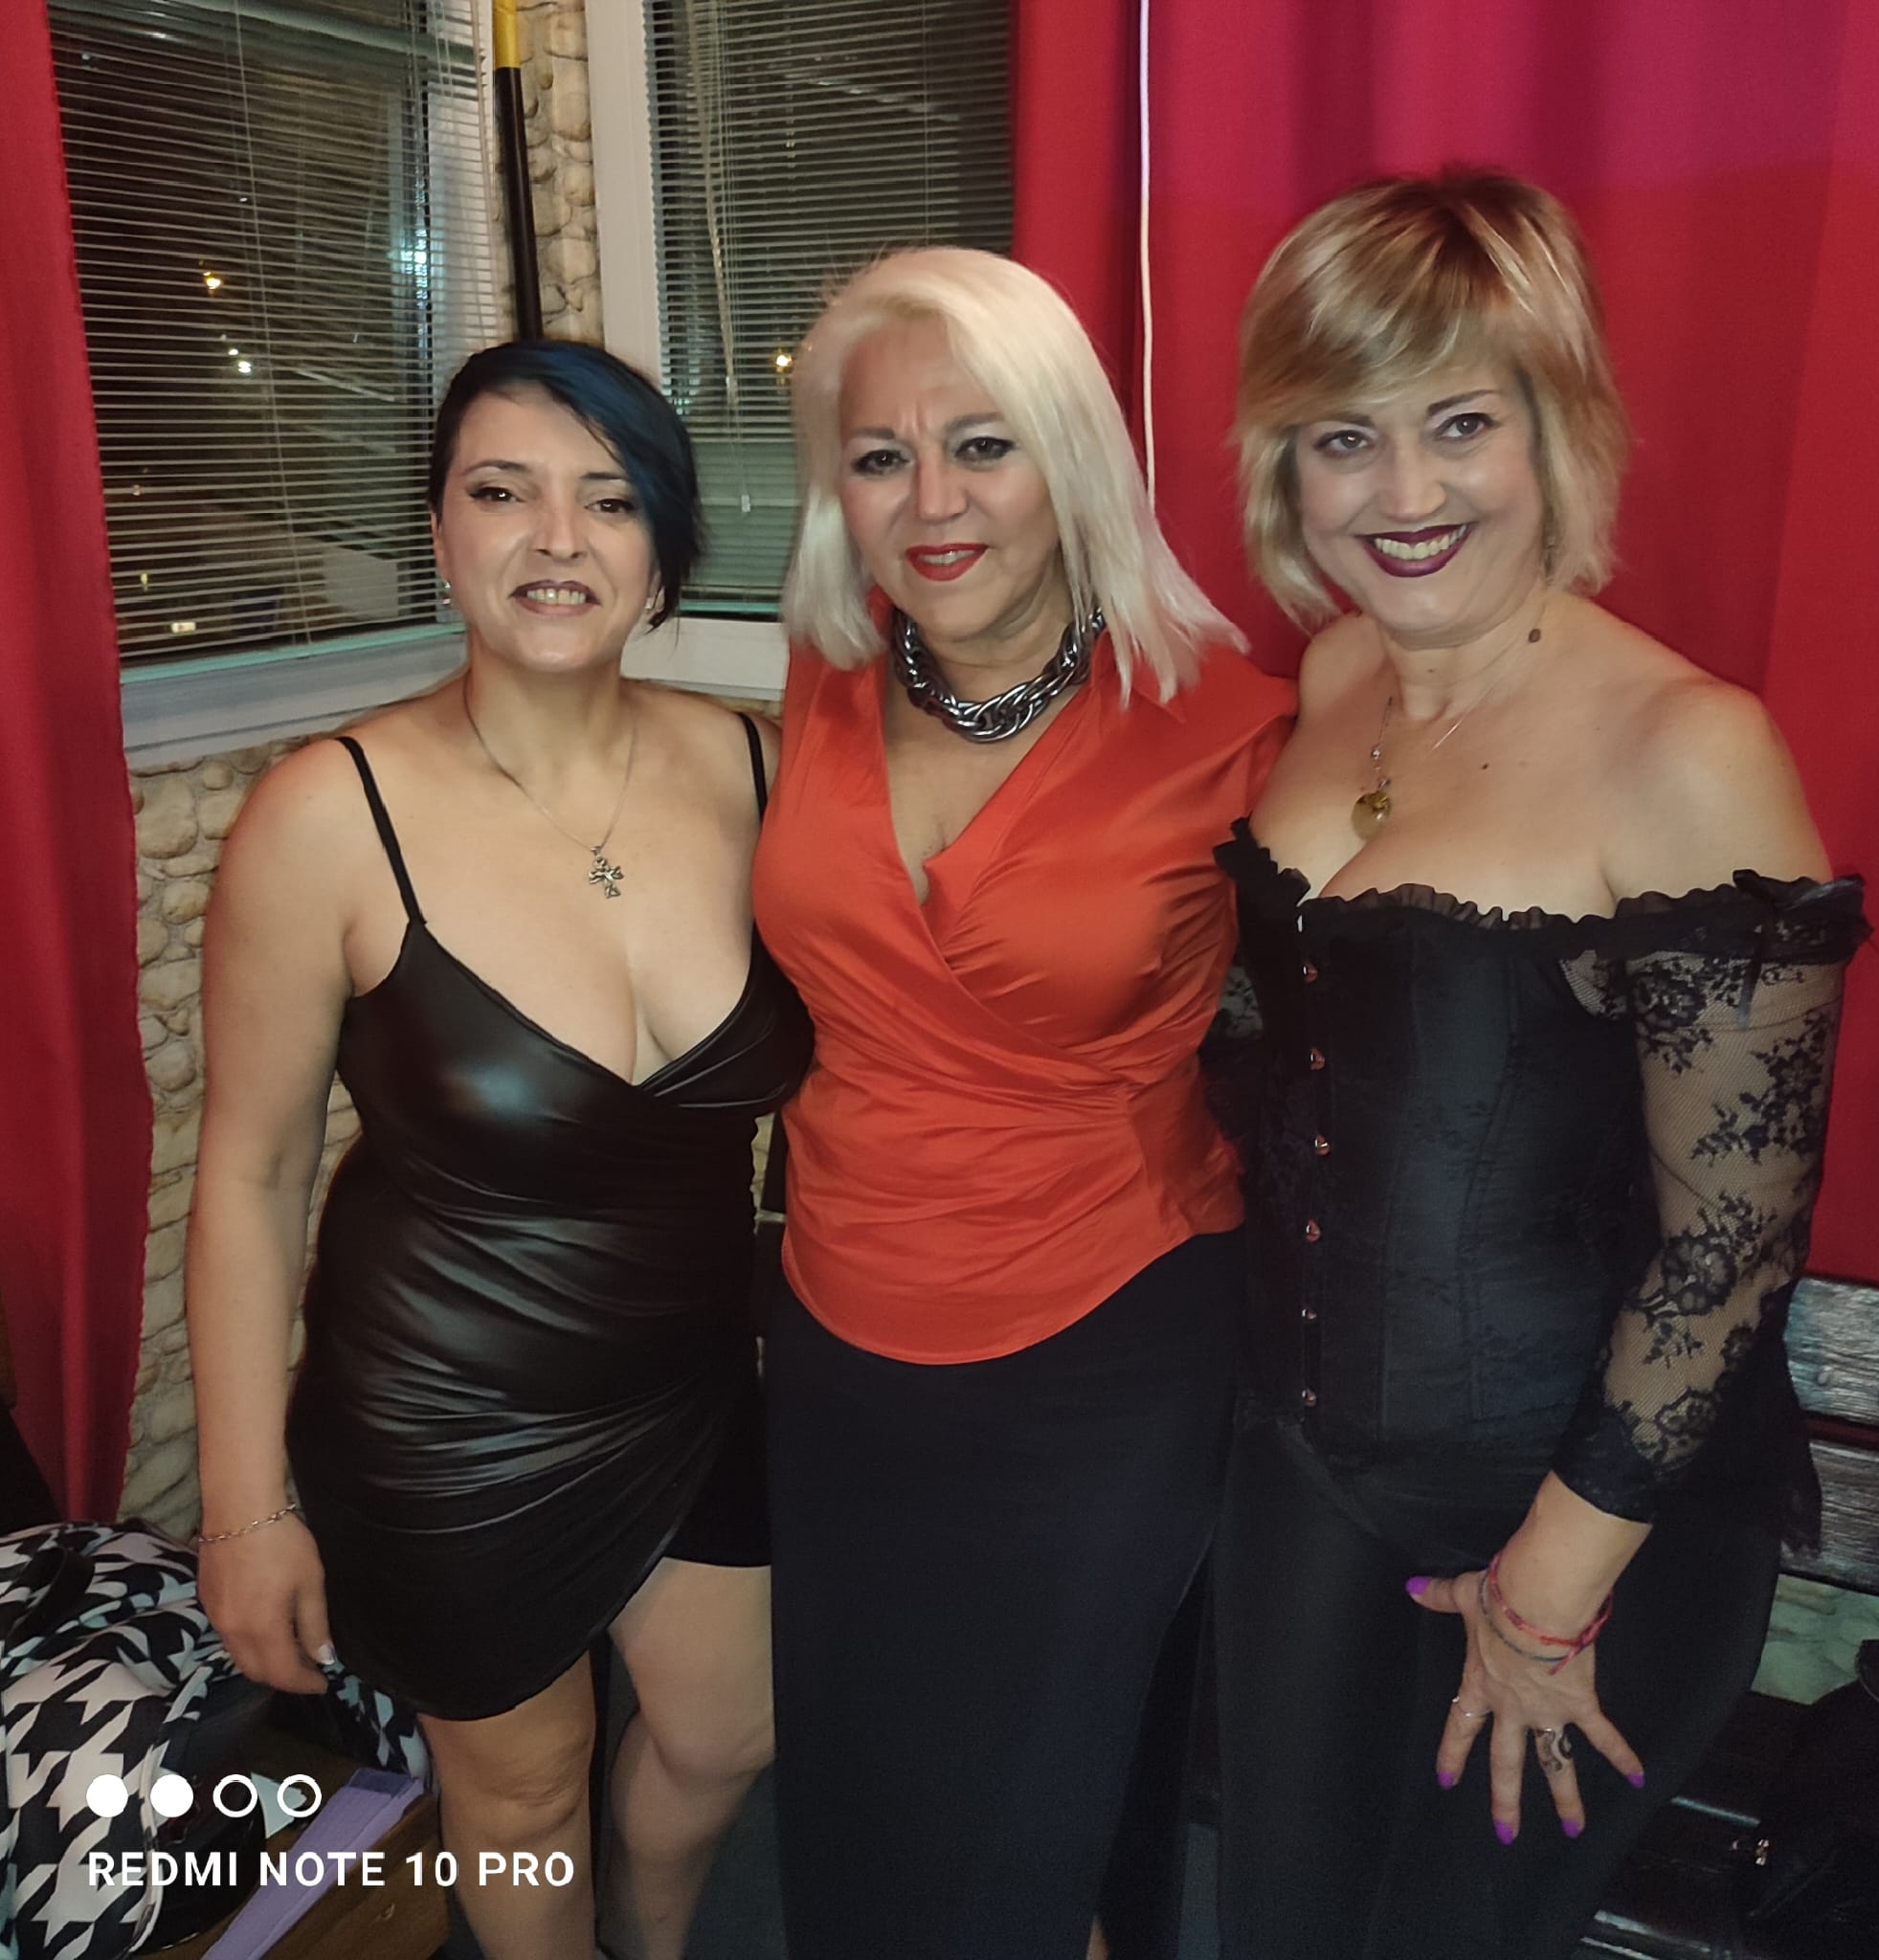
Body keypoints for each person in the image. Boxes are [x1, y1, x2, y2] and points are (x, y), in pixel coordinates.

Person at [1211, 168, 1868, 1960]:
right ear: (1285, 464)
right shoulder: (1333, 678)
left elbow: (1732, 1244)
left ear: (1553, 430)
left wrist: (1548, 1593)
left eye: (1459, 424)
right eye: (1344, 438)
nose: (1404, 494)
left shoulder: (1688, 749)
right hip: (1305, 1468)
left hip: (1588, 1515)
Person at [185, 340, 811, 1960]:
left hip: (691, 1378)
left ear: (666, 548)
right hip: (445, 1423)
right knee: (521, 1795)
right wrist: (245, 1508)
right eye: (503, 491)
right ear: (441, 532)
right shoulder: (324, 814)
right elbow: (251, 1177)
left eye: (610, 499)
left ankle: (649, 1938)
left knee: (728, 1731)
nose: (556, 539)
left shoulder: (758, 766)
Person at [749, 247, 1294, 1959]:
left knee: (1030, 1818)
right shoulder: (819, 686)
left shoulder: (1236, 726)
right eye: (881, 456)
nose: (933, 502)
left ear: (1072, 456)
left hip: (1104, 1339)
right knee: (859, 1789)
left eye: (982, 445)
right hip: (838, 1332)